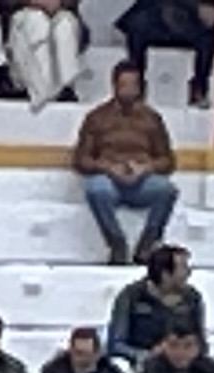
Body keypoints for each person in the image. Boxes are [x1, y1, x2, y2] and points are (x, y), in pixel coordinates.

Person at [72, 59, 178, 260]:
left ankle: (147, 244)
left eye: (133, 86)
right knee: (96, 189)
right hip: (109, 179)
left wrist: (146, 167)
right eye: (124, 85)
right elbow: (81, 160)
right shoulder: (97, 117)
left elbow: (168, 160)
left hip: (142, 180)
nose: (128, 91)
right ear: (114, 86)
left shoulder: (152, 119)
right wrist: (107, 167)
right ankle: (116, 243)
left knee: (167, 190)